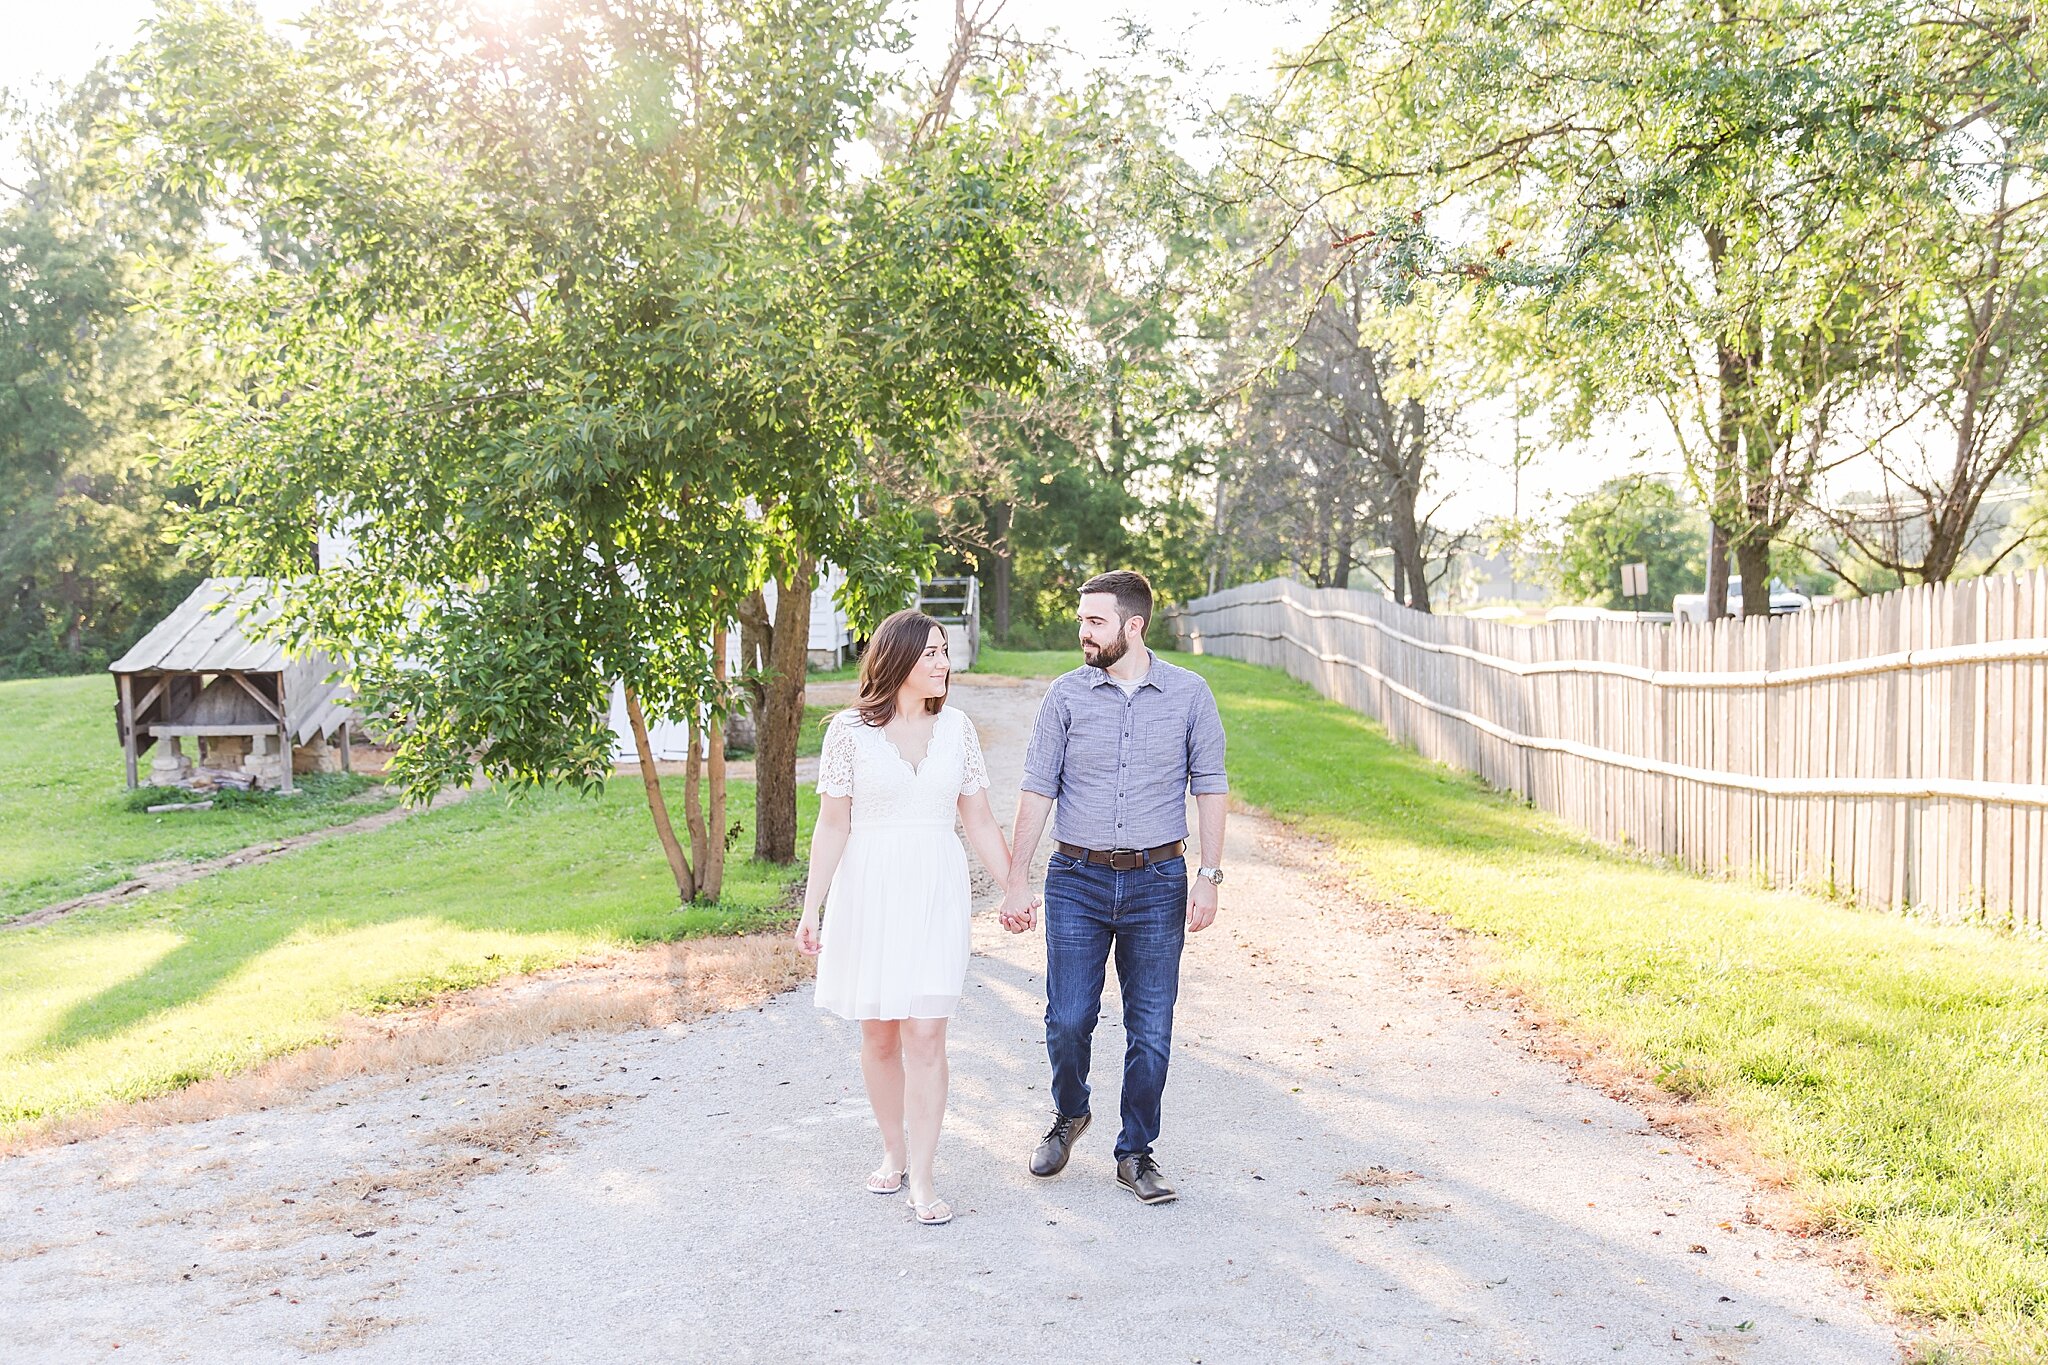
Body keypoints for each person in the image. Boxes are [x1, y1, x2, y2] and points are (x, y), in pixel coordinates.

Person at [998, 569, 1228, 1205]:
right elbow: (1037, 786)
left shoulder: (1190, 694)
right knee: (1069, 1018)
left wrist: (1208, 876)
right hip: (1077, 878)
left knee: (1150, 1027)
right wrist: (1017, 874)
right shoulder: (1065, 697)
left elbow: (1210, 784)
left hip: (1159, 881)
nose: (1083, 632)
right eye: (1081, 621)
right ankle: (1070, 1113)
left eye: (1094, 622)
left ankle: (1136, 1151)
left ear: (1133, 626)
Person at [795, 609, 1013, 1227]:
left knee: (926, 1033)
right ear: (897, 661)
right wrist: (812, 907)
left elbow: (977, 819)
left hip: (935, 890)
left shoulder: (959, 730)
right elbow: (832, 824)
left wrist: (1013, 886)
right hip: (868, 889)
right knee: (880, 1033)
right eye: (932, 655)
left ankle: (922, 1173)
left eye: (945, 653)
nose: (944, 665)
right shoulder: (848, 732)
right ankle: (892, 1147)